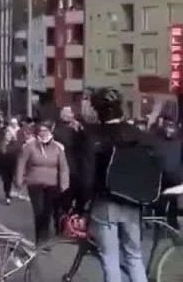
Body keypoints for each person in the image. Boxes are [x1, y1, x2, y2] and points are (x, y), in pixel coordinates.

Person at [82, 88, 153, 282]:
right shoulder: (138, 134)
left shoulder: (94, 135)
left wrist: (81, 205)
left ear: (98, 110)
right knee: (134, 257)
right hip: (133, 202)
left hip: (106, 203)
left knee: (110, 259)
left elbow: (88, 176)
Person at [15, 121, 69, 245]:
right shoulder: (29, 146)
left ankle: (45, 237)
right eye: (41, 131)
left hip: (52, 185)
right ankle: (40, 239)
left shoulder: (58, 147)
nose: (43, 133)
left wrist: (64, 183)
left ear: (50, 132)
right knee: (38, 211)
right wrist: (19, 179)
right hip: (35, 184)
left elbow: (64, 167)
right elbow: (21, 163)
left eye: (46, 131)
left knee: (47, 212)